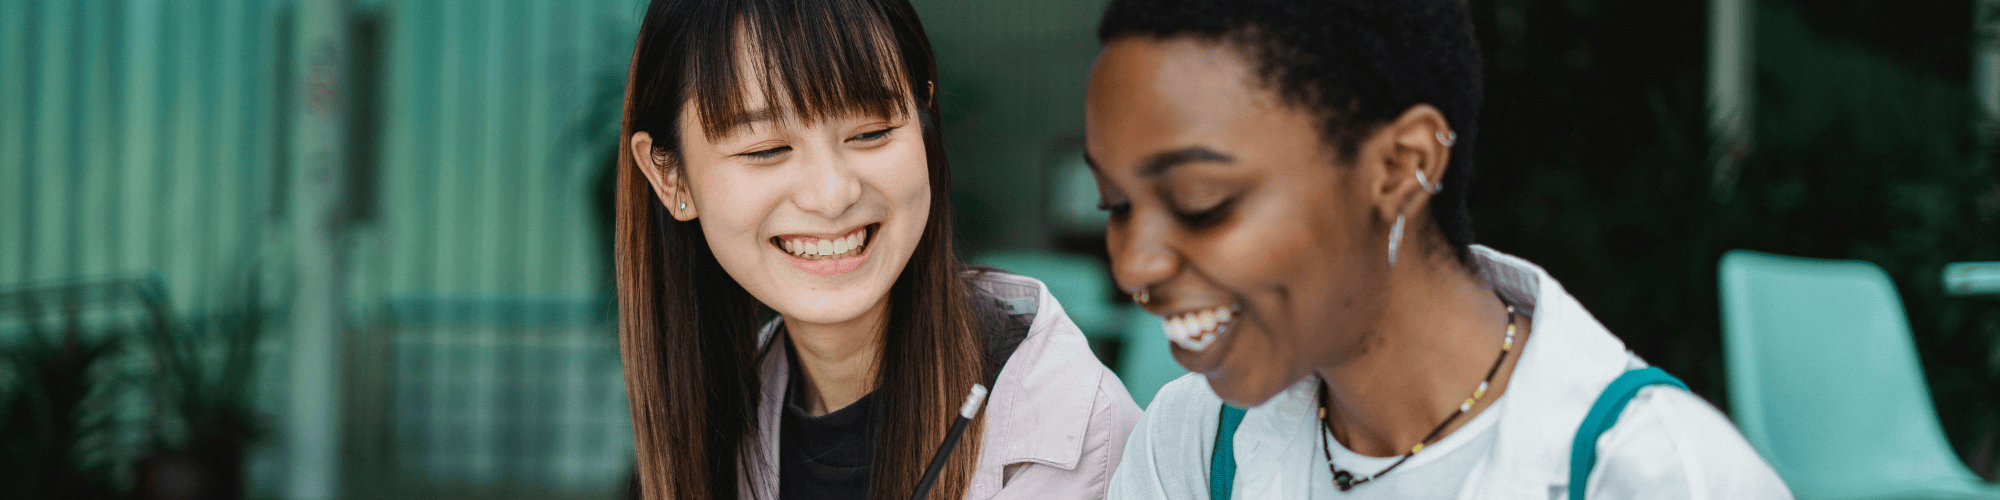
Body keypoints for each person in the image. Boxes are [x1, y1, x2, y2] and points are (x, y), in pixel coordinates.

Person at [1082, 1, 1793, 498]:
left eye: (1202, 202)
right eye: (1116, 205)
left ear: (1400, 166)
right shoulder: (1194, 444)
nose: (1134, 263)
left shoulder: (1658, 478)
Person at [613, 0, 1140, 499]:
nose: (831, 193)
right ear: (669, 176)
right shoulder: (714, 430)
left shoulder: (1069, 430)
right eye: (766, 149)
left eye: (871, 132)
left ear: (924, 116)